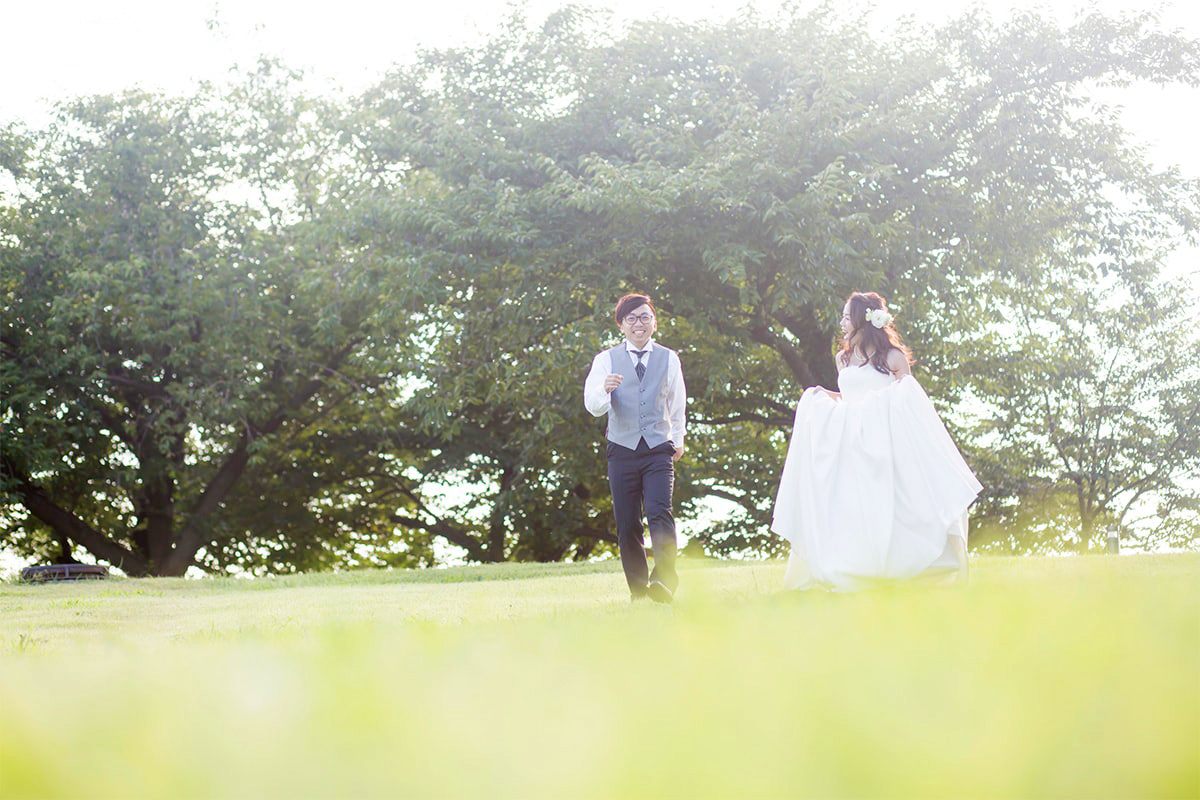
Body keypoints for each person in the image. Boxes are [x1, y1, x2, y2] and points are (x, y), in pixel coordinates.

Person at [772, 291, 982, 591]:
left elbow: (907, 401)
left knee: (897, 504)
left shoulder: (893, 358)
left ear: (862, 319)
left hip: (887, 443)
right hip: (853, 443)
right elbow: (850, 395)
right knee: (854, 504)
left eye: (847, 316)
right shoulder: (843, 359)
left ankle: (909, 565)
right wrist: (821, 395)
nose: (842, 323)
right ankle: (856, 565)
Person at [584, 293, 686, 603]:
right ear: (621, 325)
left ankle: (665, 582)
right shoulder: (605, 360)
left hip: (658, 448)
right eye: (631, 318)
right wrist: (605, 389)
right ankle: (639, 591)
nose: (638, 323)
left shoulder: (669, 358)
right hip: (621, 449)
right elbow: (593, 407)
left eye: (644, 317)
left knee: (659, 513)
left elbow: (677, 403)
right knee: (627, 521)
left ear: (654, 322)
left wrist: (678, 440)